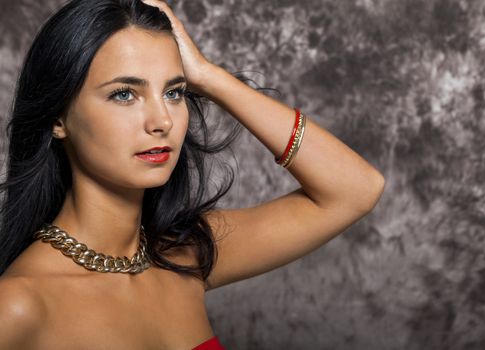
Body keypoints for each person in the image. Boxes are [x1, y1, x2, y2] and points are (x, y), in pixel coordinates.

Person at [0, 0, 385, 348]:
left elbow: (355, 189)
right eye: (124, 94)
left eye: (174, 92)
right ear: (58, 118)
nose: (162, 120)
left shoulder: (186, 255)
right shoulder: (18, 305)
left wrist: (208, 77)